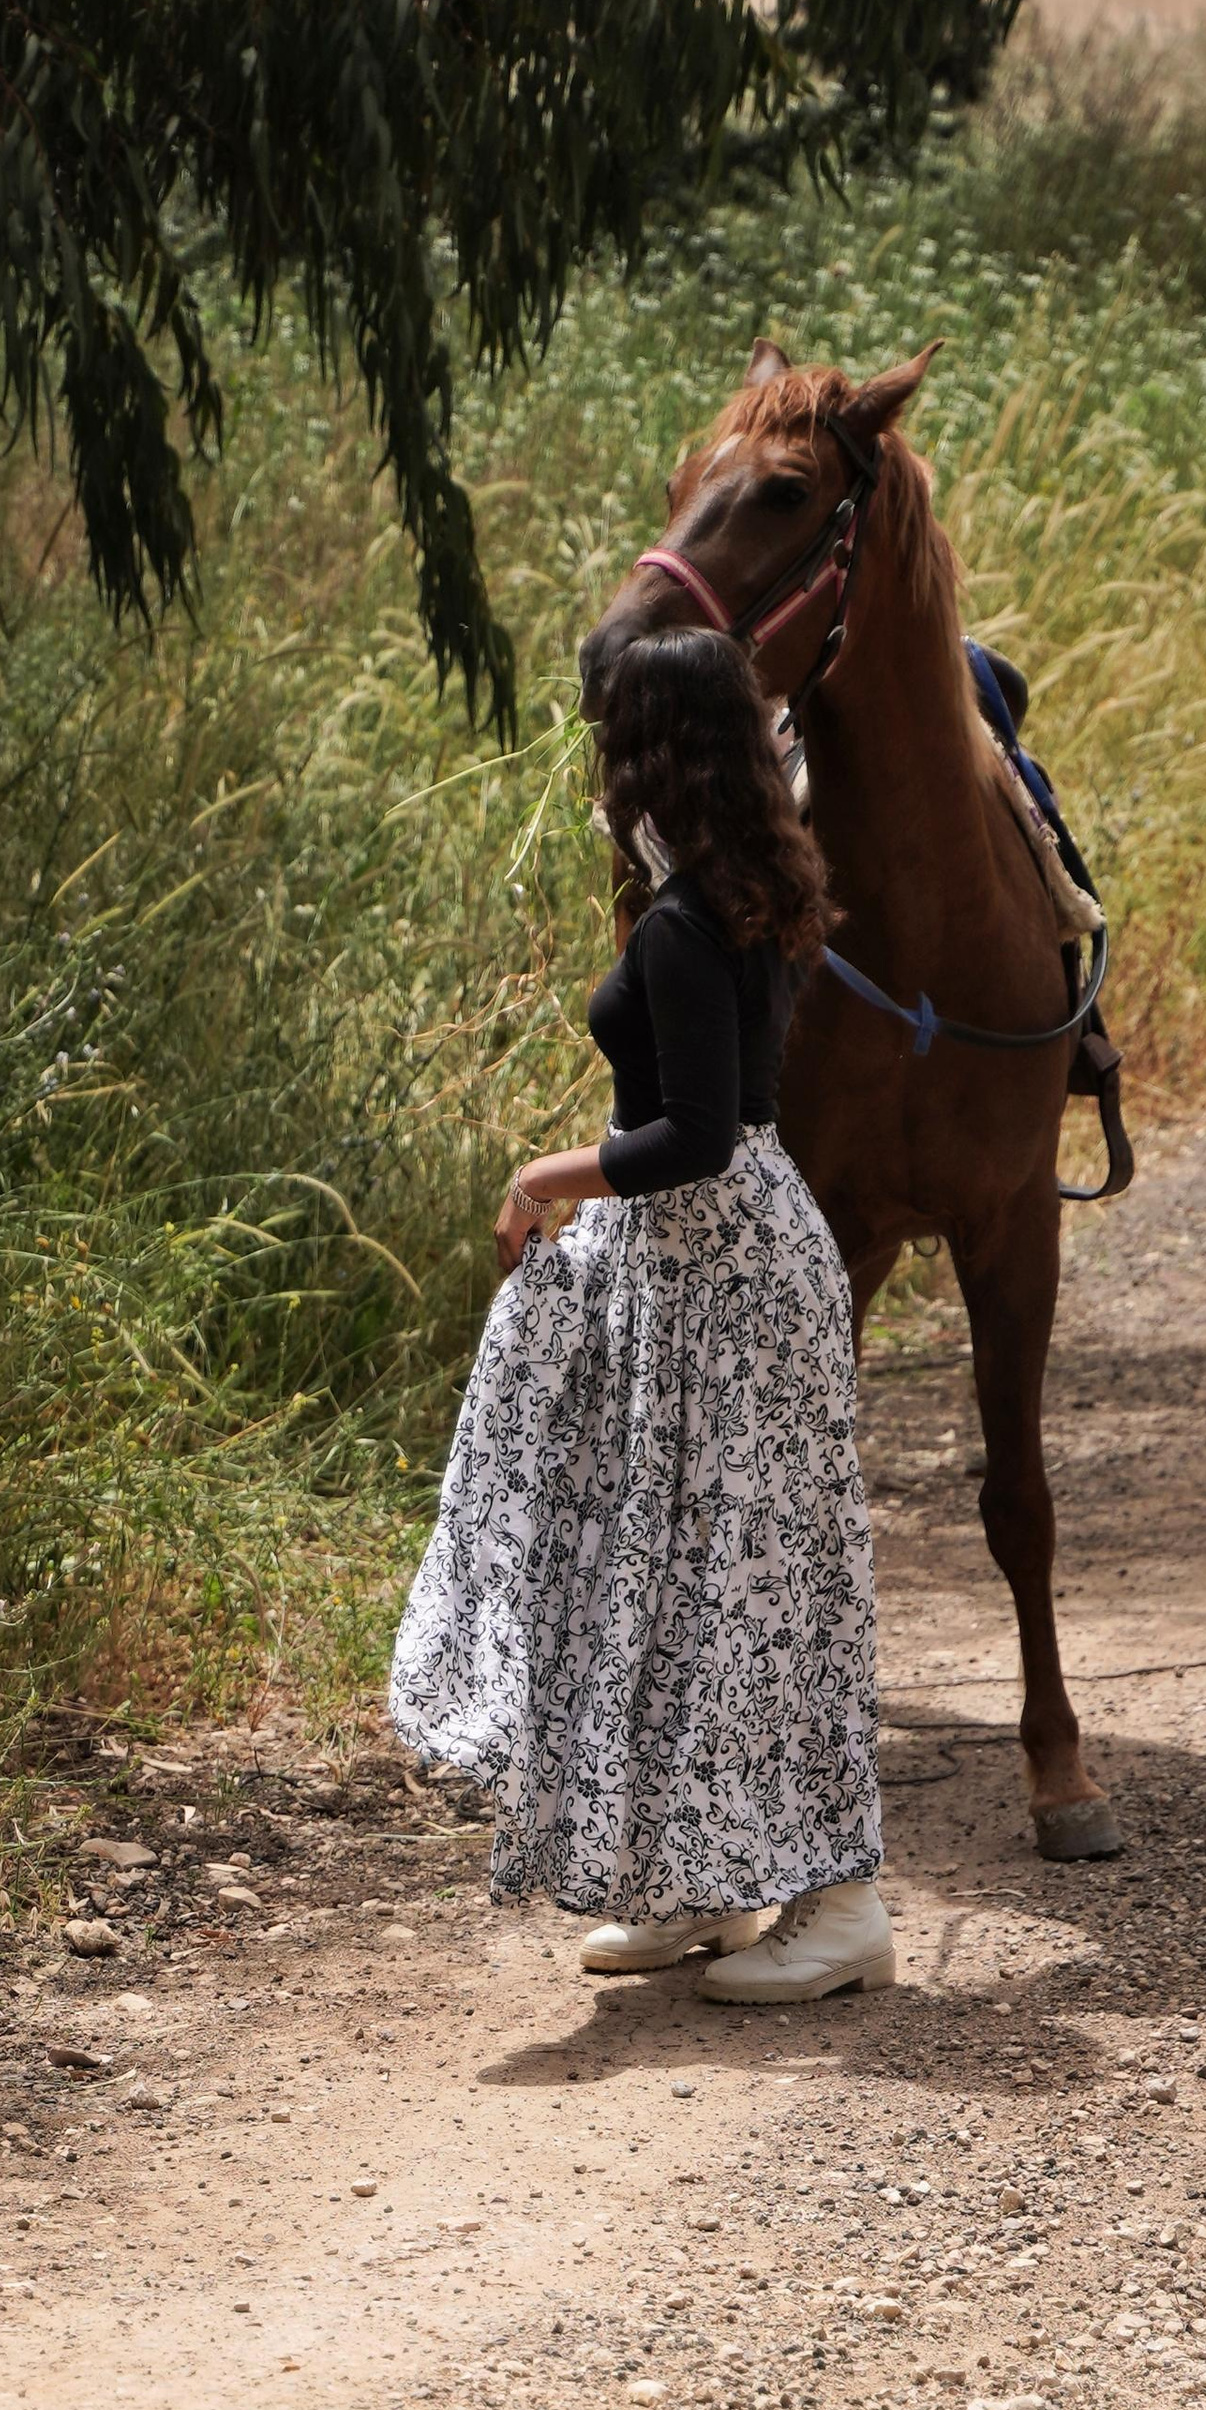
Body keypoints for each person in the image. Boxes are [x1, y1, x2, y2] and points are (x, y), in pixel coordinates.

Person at [390, 627, 891, 2002]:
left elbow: (699, 1137)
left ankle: (842, 1903)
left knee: (756, 1582)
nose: (600, 767)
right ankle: (705, 1881)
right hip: (718, 1269)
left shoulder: (687, 920)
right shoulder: (738, 890)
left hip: (722, 1262)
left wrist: (539, 1176)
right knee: (688, 1583)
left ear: (653, 752)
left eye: (616, 739)